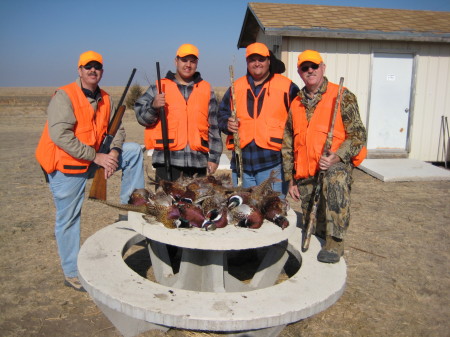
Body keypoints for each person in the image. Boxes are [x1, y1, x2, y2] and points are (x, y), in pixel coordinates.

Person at [35, 51, 145, 291]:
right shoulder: (64, 96)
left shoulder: (106, 97)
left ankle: (129, 210)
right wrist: (98, 157)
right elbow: (61, 136)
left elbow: (119, 130)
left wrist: (114, 153)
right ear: (79, 70)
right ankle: (72, 272)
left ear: (102, 72)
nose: (92, 70)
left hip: (96, 157)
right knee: (68, 218)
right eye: (88, 67)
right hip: (65, 165)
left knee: (133, 150)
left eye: (97, 67)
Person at [282, 50, 367, 263]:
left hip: (333, 167)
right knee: (315, 225)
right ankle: (321, 235)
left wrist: (337, 157)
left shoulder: (342, 96)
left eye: (314, 66)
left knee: (335, 181)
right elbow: (288, 143)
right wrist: (290, 178)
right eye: (305, 67)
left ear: (323, 68)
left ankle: (335, 244)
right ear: (300, 72)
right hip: (306, 172)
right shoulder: (296, 103)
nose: (310, 71)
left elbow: (358, 135)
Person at [218, 42, 299, 196]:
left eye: (261, 59)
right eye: (252, 59)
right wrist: (227, 123)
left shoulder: (287, 87)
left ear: (269, 61)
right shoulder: (236, 87)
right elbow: (221, 115)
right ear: (247, 62)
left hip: (273, 165)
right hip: (242, 165)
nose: (257, 63)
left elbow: (300, 122)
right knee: (246, 213)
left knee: (272, 211)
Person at [134, 43, 223, 182]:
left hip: (198, 163)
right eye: (184, 60)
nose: (188, 64)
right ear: (176, 61)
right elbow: (141, 118)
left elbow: (214, 127)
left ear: (197, 63)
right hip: (167, 161)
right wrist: (153, 106)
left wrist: (214, 158)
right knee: (165, 204)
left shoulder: (206, 89)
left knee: (195, 204)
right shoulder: (159, 86)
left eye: (192, 61)